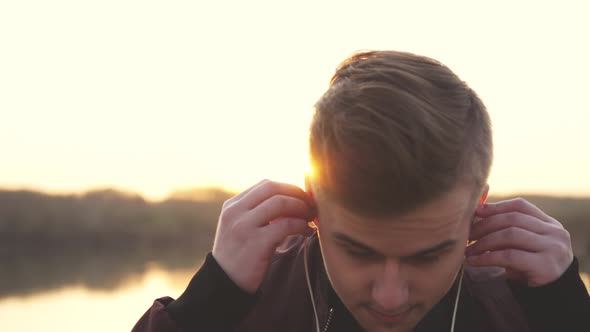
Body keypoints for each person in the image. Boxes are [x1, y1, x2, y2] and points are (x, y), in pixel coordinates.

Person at [132, 50, 590, 332]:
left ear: (478, 209)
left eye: (425, 256)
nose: (389, 297)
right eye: (358, 251)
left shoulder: (527, 309)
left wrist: (570, 317)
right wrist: (204, 310)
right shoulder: (237, 308)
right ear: (313, 203)